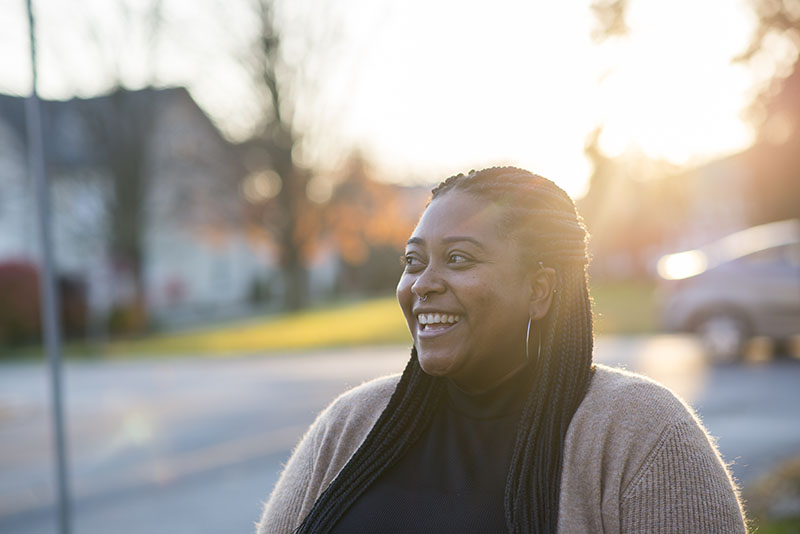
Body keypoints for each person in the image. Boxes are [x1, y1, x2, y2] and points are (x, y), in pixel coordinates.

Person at [257, 167, 747, 533]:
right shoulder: (351, 425)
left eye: (458, 259)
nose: (423, 284)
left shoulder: (643, 434)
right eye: (413, 260)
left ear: (539, 289)